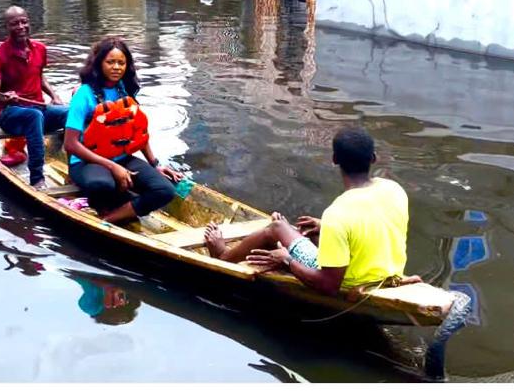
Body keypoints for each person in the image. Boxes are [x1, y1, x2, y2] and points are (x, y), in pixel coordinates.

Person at [203, 127, 421, 296]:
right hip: (387, 276)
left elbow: (328, 285)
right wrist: (324, 227)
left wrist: (286, 261)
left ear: (335, 160)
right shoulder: (394, 189)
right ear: (374, 158)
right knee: (310, 233)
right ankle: (282, 241)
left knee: (276, 228)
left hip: (350, 283)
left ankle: (222, 255)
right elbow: (376, 221)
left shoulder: (339, 212)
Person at [63, 37, 183, 223]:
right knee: (102, 184)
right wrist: (113, 167)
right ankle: (115, 200)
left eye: (121, 63)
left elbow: (138, 131)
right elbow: (70, 144)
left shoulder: (124, 90)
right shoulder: (83, 94)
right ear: (99, 63)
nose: (117, 67)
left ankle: (110, 219)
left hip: (121, 156)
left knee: (165, 190)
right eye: (110, 62)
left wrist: (154, 164)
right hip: (86, 162)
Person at [0, 6, 68, 189]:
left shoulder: (39, 49)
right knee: (34, 117)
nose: (21, 27)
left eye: (24, 22)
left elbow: (38, 76)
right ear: (7, 27)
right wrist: (6, 97)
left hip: (38, 109)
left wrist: (54, 96)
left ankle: (76, 165)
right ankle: (37, 178)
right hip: (10, 115)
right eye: (15, 24)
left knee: (72, 113)